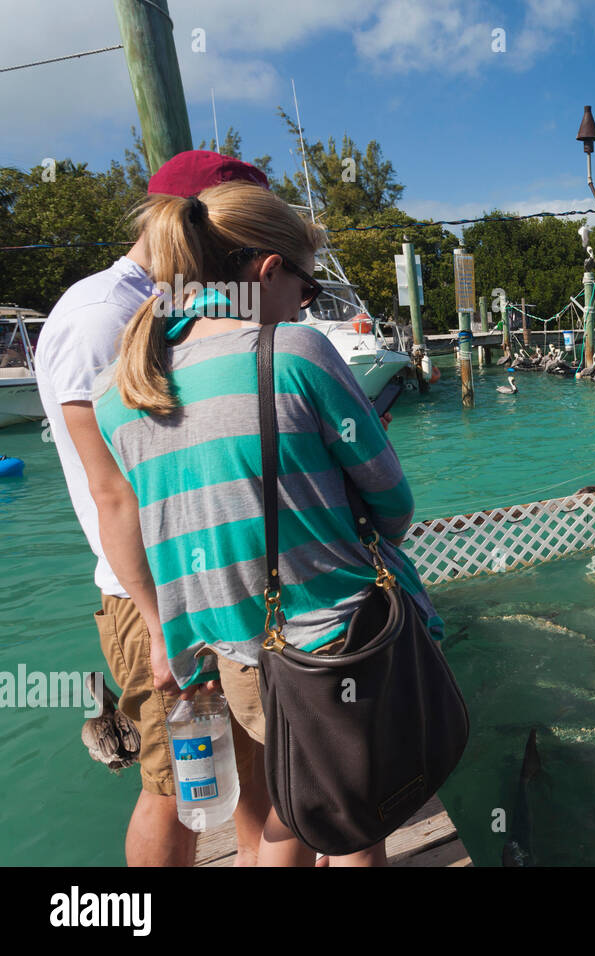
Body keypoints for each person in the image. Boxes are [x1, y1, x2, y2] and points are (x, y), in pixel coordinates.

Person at [91, 180, 437, 866]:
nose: (304, 306)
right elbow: (396, 507)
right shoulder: (297, 353)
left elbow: (135, 522)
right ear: (269, 271)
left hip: (234, 657)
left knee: (293, 798)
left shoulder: (120, 391)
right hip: (336, 643)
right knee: (354, 820)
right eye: (306, 290)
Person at [35, 150, 274, 867]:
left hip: (211, 591)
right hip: (157, 602)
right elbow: (115, 491)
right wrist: (159, 620)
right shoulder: (103, 315)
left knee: (254, 773)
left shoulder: (164, 304)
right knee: (175, 790)